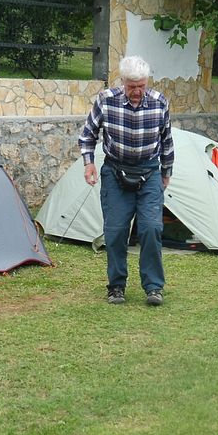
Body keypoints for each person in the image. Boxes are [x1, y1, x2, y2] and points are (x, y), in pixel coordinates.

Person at [78, 55, 175, 306]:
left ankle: (154, 287)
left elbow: (166, 140)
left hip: (150, 172)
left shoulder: (159, 102)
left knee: (151, 228)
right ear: (122, 82)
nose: (137, 92)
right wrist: (89, 163)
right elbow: (88, 134)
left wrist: (166, 172)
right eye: (132, 86)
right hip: (115, 171)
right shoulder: (106, 100)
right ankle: (116, 287)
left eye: (141, 86)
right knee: (116, 230)